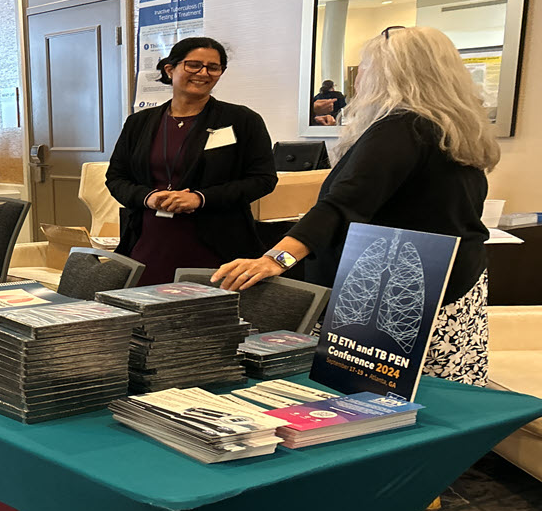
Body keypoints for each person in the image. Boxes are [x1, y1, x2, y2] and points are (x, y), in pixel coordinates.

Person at [213, 26, 500, 386]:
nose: (359, 76)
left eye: (366, 66)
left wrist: (276, 259)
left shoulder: (400, 127)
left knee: (375, 406)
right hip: (454, 289)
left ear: (388, 73)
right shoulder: (455, 129)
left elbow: (342, 205)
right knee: (441, 403)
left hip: (398, 300)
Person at [105, 37, 277, 285]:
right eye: (193, 65)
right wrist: (148, 197)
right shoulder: (139, 123)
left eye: (213, 67)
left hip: (218, 245)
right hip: (149, 240)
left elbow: (263, 179)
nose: (203, 73)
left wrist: (200, 198)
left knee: (206, 315)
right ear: (170, 69)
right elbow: (116, 177)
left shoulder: (242, 120)